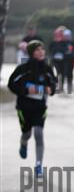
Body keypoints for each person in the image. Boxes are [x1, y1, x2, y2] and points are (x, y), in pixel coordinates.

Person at [7, 40, 56, 177]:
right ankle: (23, 143)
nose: (41, 52)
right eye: (37, 50)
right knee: (27, 134)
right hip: (24, 107)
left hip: (40, 107)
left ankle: (39, 165)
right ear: (31, 52)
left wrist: (50, 89)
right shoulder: (23, 68)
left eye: (42, 49)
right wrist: (26, 90)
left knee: (39, 133)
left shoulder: (47, 68)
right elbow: (11, 84)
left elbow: (53, 84)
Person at [48, 27, 68, 94]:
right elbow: (50, 50)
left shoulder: (64, 42)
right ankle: (55, 85)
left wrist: (61, 52)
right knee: (56, 73)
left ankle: (61, 87)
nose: (59, 35)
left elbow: (66, 50)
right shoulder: (53, 42)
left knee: (62, 73)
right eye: (57, 34)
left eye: (60, 34)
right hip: (55, 60)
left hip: (63, 60)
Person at [61, 29, 74, 94]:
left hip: (71, 59)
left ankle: (70, 85)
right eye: (66, 36)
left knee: (70, 73)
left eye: (68, 36)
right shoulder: (62, 43)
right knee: (63, 72)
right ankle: (61, 86)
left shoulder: (73, 42)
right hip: (64, 60)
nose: (67, 37)